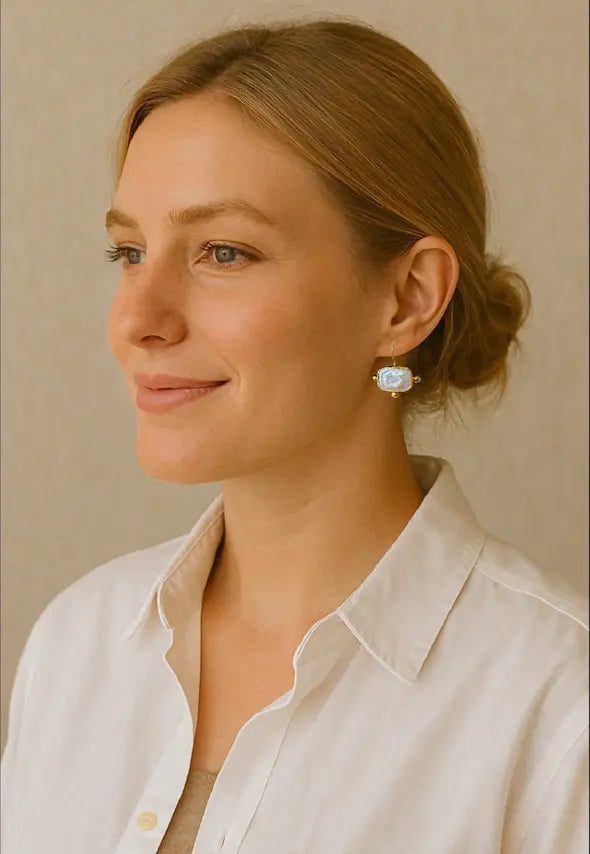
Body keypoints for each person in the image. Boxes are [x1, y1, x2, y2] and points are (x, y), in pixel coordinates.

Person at [1, 16, 587, 854]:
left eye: (223, 253)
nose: (136, 320)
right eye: (128, 252)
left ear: (407, 299)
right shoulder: (77, 644)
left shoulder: (557, 707)